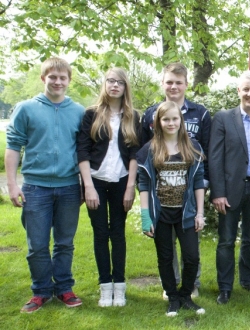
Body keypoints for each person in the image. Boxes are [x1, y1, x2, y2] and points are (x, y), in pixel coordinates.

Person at [5, 57, 85, 313]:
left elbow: (84, 151)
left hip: (70, 187)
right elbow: (13, 146)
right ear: (43, 79)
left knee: (64, 243)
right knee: (37, 245)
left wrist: (85, 184)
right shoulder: (26, 109)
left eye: (63, 78)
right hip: (35, 187)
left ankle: (64, 288)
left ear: (69, 81)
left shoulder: (79, 112)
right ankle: (40, 291)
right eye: (53, 77)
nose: (58, 82)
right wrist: (12, 184)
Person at [140, 62, 211, 299]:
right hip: (161, 197)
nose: (173, 86)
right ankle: (170, 287)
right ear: (163, 83)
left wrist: (203, 190)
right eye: (169, 82)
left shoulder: (199, 113)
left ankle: (191, 285)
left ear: (186, 84)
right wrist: (144, 210)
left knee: (191, 245)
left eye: (178, 82)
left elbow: (206, 153)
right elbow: (143, 159)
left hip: (189, 193)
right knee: (165, 248)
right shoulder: (150, 113)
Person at [209, 70, 250, 304]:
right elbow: (215, 158)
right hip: (229, 191)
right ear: (239, 91)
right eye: (245, 89)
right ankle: (225, 287)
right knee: (226, 239)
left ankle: (247, 281)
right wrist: (217, 192)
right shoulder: (223, 118)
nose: (249, 93)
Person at [77, 68, 140, 307]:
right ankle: (105, 286)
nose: (114, 85)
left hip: (122, 181)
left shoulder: (133, 115)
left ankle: (120, 286)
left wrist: (130, 187)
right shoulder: (91, 114)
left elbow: (135, 152)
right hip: (96, 180)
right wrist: (88, 187)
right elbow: (82, 151)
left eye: (120, 82)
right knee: (101, 234)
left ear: (125, 87)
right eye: (110, 81)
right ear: (105, 84)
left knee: (118, 234)